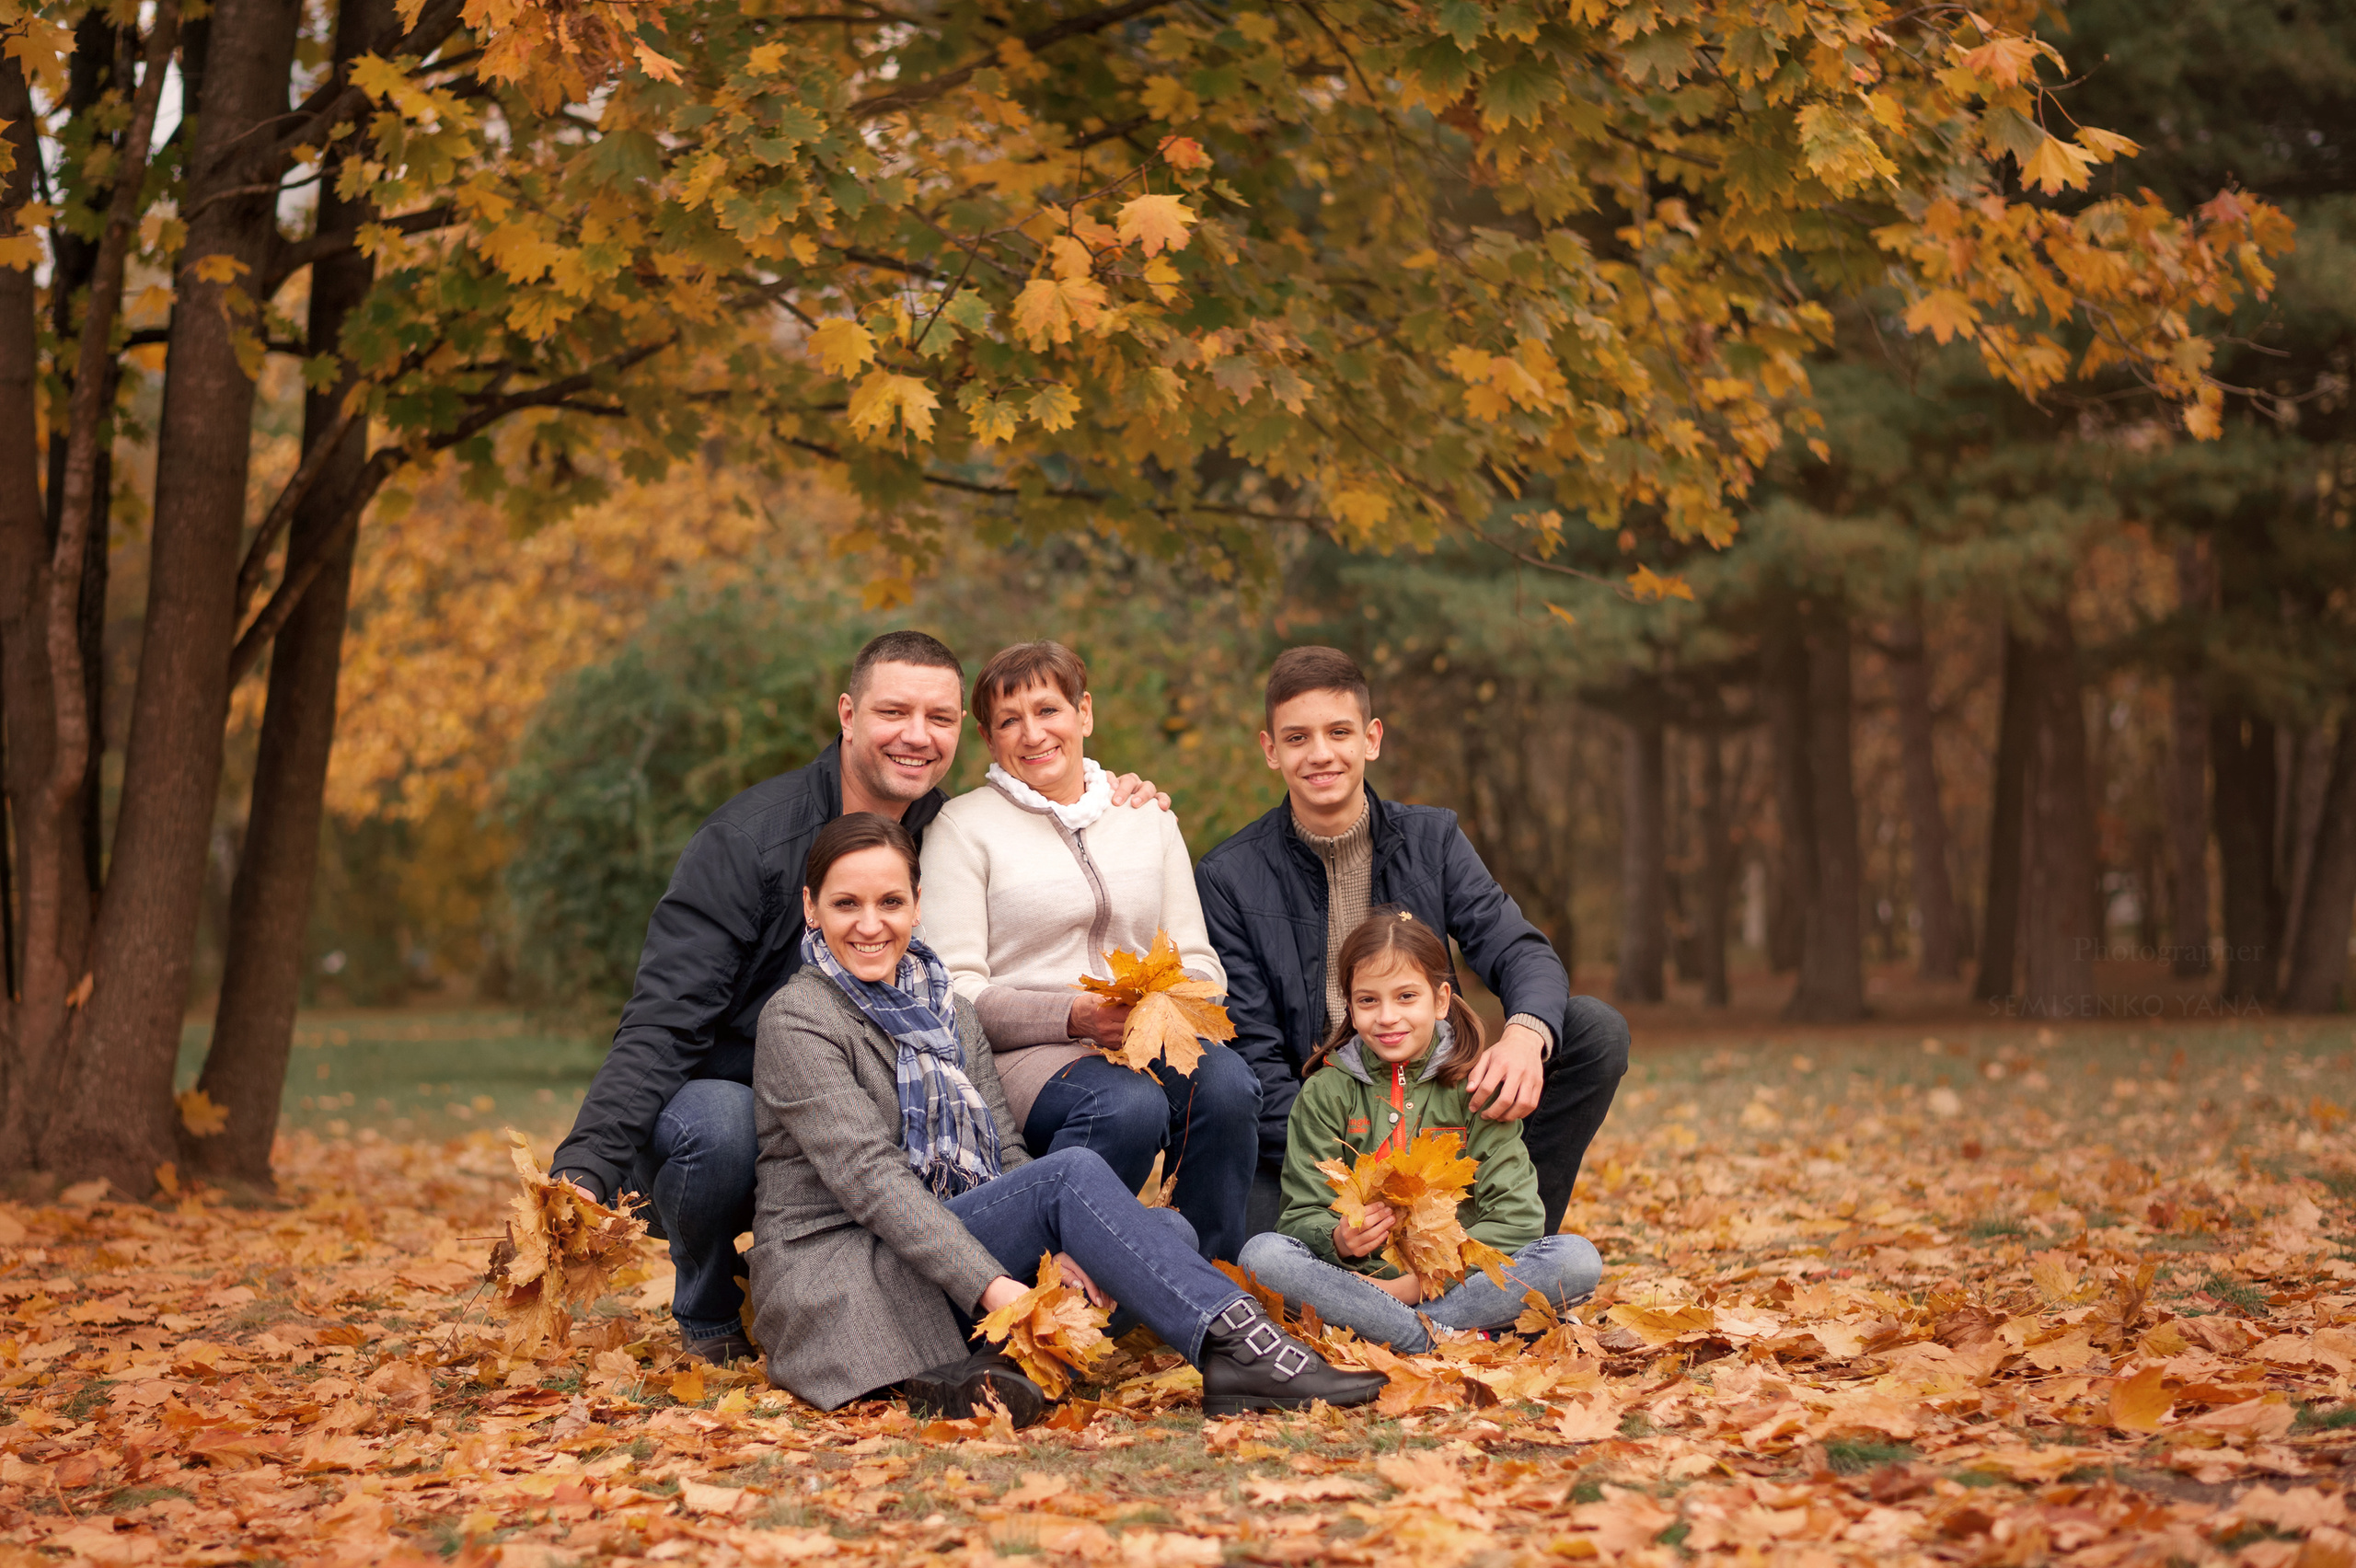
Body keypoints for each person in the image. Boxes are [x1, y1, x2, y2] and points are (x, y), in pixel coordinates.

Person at [547, 631, 1166, 1366]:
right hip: (748, 1097)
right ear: (847, 714)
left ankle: (1027, 1292)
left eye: (938, 718)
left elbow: (1055, 840)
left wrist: (1115, 798)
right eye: (893, 712)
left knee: (1125, 1111)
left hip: (891, 1096)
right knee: (713, 1127)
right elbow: (661, 1023)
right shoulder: (747, 843)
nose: (916, 735)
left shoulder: (954, 832)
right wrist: (584, 1167)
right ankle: (709, 1302)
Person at [747, 813, 1387, 1421]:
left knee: (1170, 1236)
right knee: (1073, 1176)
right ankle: (1246, 1353)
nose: (870, 924)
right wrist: (998, 1287)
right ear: (811, 908)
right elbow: (871, 1181)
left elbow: (1005, 1156)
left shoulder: (949, 1010)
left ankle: (1000, 1369)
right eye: (845, 904)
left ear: (917, 905)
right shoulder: (800, 1018)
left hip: (935, 1251)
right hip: (850, 1269)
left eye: (889, 902)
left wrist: (1058, 1251)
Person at [1195, 646, 1630, 1239]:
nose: (1321, 753)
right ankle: (1387, 1277)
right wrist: (1358, 1171)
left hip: (1442, 1121)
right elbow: (1255, 1053)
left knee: (1591, 1030)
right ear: (1271, 750)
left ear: (1371, 739)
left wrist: (1526, 1035)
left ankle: (1509, 1249)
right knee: (1269, 1265)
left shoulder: (1434, 841)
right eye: (1297, 738)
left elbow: (1519, 950)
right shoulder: (1229, 877)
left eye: (1339, 732)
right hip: (1315, 1140)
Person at [918, 642, 1261, 1262]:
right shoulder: (963, 829)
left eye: (1048, 710)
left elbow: (1201, 964)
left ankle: (1209, 1279)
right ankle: (1046, 1287)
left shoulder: (1146, 817)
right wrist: (1073, 1016)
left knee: (1228, 1087)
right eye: (1009, 721)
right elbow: (955, 991)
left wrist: (1160, 1013)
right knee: (1126, 1105)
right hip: (1025, 1054)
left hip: (1147, 1032)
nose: (1032, 733)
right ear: (990, 741)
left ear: (1085, 713)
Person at [1236, 909, 1601, 1350]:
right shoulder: (1324, 1092)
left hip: (1456, 1283)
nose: (1388, 1017)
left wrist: (1415, 1286)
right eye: (1368, 1001)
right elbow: (1299, 1216)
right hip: (1353, 1282)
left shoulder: (1474, 1087)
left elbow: (1519, 1219)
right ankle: (1441, 1336)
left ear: (1441, 1000)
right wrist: (1338, 1239)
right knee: (1262, 1256)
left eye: (1407, 997)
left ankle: (1395, 1330)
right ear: (1349, 1006)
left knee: (1577, 1259)